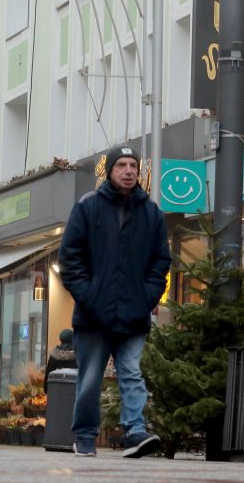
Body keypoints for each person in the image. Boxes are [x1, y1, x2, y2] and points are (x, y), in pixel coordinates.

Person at [58, 145, 171, 458]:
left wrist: (148, 296)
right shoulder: (88, 207)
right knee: (91, 378)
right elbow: (69, 257)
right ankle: (84, 436)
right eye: (121, 165)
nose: (128, 171)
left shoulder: (152, 213)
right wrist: (88, 294)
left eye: (133, 165)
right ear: (110, 171)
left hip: (133, 314)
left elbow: (161, 261)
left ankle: (135, 431)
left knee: (131, 373)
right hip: (94, 316)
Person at [44, 328, 78, 393]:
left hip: (57, 389)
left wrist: (46, 390)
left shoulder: (54, 354)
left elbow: (48, 372)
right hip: (74, 389)